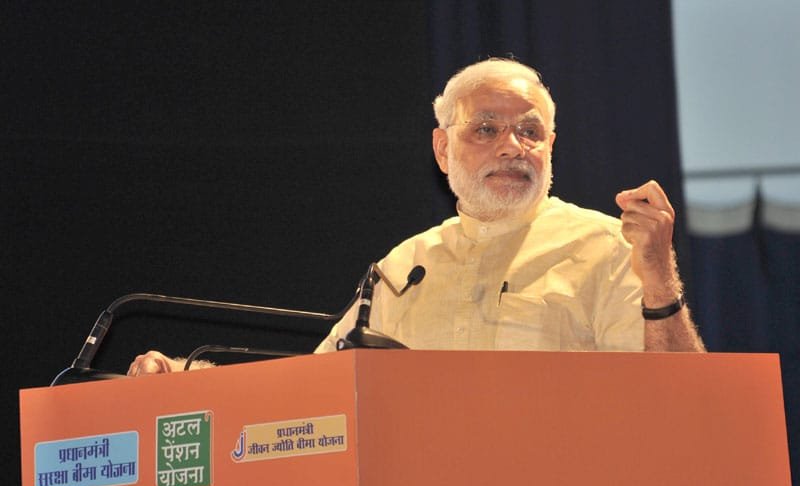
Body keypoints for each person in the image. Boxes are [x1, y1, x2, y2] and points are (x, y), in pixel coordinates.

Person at [128, 58, 704, 376]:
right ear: (443, 150)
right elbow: (313, 392)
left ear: (551, 145)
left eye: (530, 131)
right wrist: (185, 377)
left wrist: (658, 279)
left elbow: (688, 403)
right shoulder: (406, 265)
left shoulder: (607, 246)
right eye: (486, 128)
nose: (512, 146)